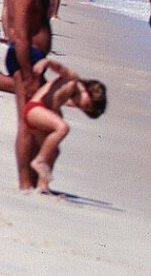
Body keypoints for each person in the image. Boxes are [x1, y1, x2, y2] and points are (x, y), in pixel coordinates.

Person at [3, 0, 74, 191]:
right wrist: (28, 75)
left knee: (42, 122)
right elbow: (21, 36)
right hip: (25, 60)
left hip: (33, 59)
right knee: (27, 124)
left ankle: (35, 181)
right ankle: (25, 184)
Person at [22, 58, 106, 193]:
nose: (82, 107)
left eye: (85, 110)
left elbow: (60, 98)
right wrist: (46, 63)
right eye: (87, 105)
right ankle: (39, 160)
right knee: (63, 128)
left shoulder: (72, 95)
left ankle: (43, 185)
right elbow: (61, 69)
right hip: (35, 109)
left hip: (39, 116)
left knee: (54, 152)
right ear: (90, 91)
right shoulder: (73, 79)